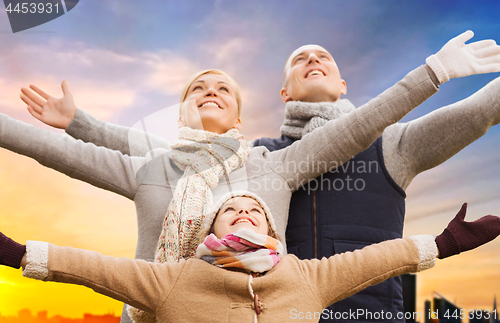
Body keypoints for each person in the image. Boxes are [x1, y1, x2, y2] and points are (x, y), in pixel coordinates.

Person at [3, 30, 499, 321]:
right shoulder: (198, 163)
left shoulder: (279, 162)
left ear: (241, 117)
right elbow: (79, 152)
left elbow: (367, 124)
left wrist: (434, 70)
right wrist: (79, 124)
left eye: (223, 88)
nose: (211, 92)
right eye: (198, 88)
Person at [1, 192, 500, 322]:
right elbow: (90, 267)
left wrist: (443, 244)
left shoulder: (306, 276)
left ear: (270, 230)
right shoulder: (172, 280)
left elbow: (378, 259)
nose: (242, 213)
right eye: (230, 211)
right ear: (212, 230)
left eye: (252, 210)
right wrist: (16, 253)